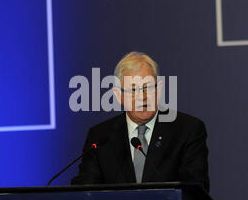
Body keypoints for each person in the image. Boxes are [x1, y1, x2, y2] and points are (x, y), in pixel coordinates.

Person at [71, 51, 210, 192]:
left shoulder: (187, 130)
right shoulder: (100, 137)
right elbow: (85, 193)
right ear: (119, 95)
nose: (142, 97)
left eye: (148, 88)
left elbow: (196, 194)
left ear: (159, 89)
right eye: (133, 90)